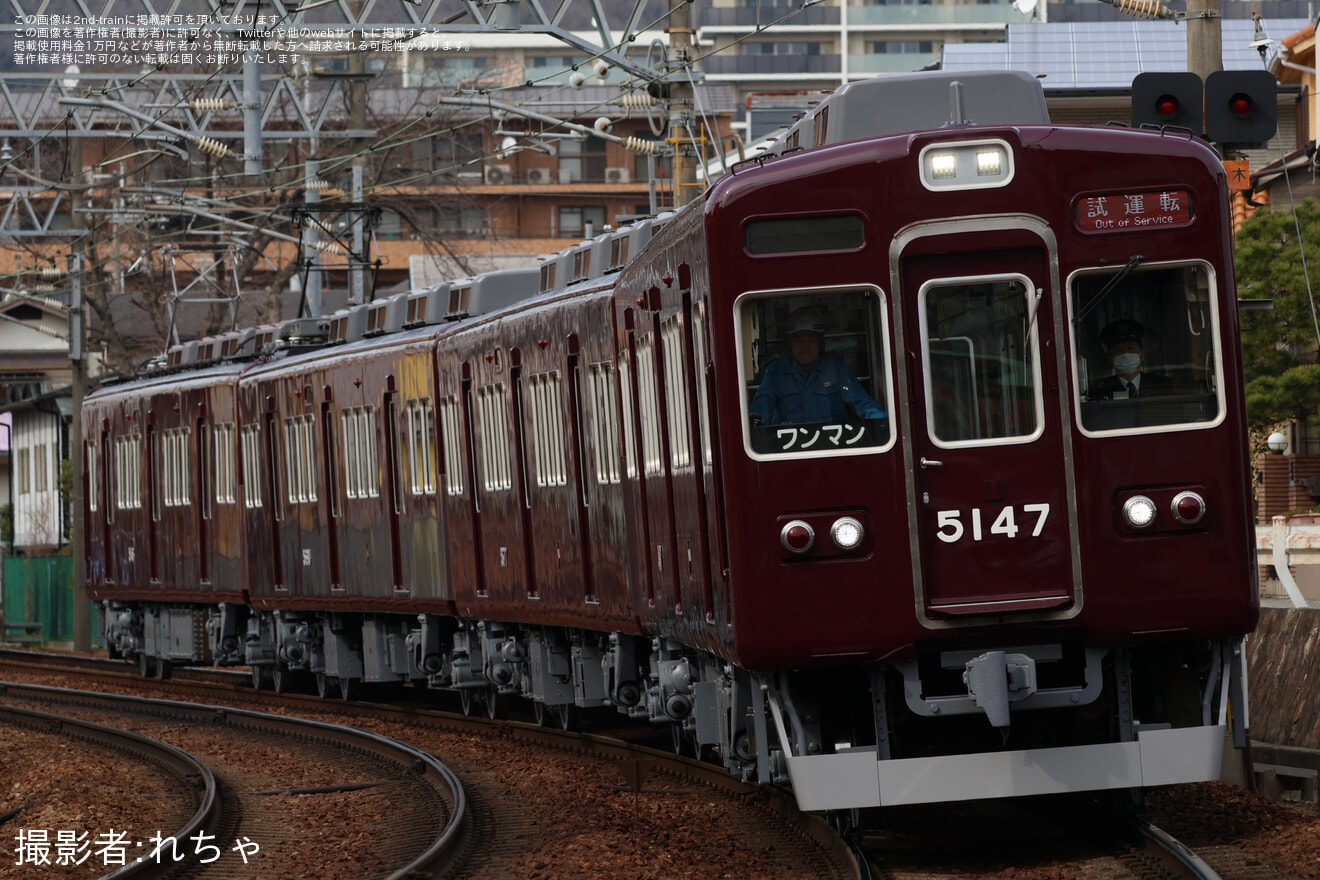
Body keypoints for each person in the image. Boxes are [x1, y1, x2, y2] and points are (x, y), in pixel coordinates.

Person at [749, 307, 887, 426]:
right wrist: (755, 418)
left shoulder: (836, 367)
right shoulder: (776, 371)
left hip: (833, 441)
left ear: (820, 342)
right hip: (789, 444)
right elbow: (762, 402)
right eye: (799, 340)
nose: (805, 346)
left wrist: (881, 421)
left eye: (811, 340)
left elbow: (861, 401)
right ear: (790, 343)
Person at [1088, 318, 1173, 400]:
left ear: (1142, 355)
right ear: (1109, 359)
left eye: (1131, 348)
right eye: (1118, 350)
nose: (1125, 354)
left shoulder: (1161, 385)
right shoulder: (1100, 390)